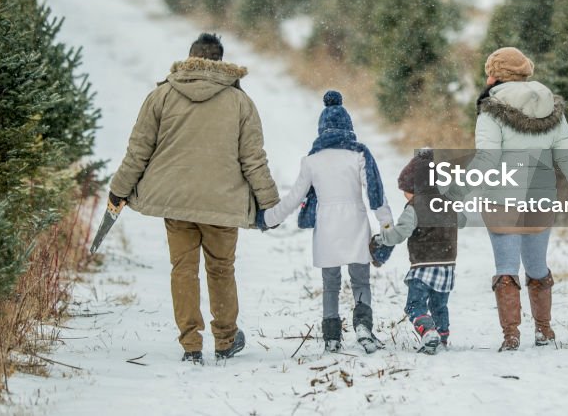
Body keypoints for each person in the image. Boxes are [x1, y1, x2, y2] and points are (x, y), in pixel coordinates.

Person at [108, 33, 280, 365]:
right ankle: (226, 339)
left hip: (177, 200)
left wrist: (119, 189)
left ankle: (190, 344)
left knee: (183, 270)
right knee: (221, 269)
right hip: (222, 203)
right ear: (221, 62)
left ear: (189, 59)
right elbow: (253, 159)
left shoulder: (162, 95)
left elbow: (138, 151)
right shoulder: (240, 102)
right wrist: (269, 204)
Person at [464, 47, 568, 352]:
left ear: (495, 75)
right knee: (537, 267)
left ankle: (511, 336)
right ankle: (545, 331)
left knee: (506, 268)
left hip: (501, 201)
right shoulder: (551, 108)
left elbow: (486, 158)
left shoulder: (490, 110)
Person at [258, 91, 393, 354]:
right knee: (360, 281)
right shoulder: (359, 154)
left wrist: (269, 218)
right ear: (348, 126)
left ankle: (331, 336)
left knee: (330, 283)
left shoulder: (311, 160)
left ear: (321, 129)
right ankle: (364, 326)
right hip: (355, 221)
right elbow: (375, 193)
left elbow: (295, 197)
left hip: (327, 226)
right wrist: (387, 226)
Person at [372, 148, 459, 355]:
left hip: (423, 266)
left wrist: (381, 237)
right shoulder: (447, 203)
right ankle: (442, 337)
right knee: (439, 305)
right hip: (447, 265)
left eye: (406, 190)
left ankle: (428, 332)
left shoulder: (415, 207)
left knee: (414, 306)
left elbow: (398, 235)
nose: (405, 196)